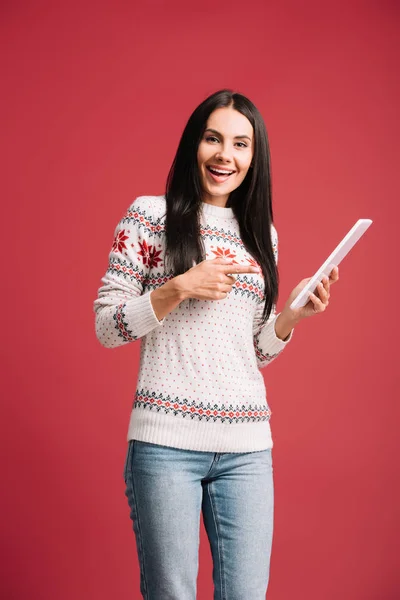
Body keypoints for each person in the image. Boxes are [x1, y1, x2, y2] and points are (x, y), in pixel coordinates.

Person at [93, 88, 339, 600]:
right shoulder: (148, 217)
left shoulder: (260, 235)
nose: (226, 155)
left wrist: (290, 314)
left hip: (247, 449)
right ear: (194, 145)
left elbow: (254, 352)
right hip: (165, 446)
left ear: (255, 158)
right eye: (213, 139)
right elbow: (106, 326)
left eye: (241, 144)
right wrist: (178, 287)